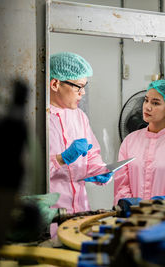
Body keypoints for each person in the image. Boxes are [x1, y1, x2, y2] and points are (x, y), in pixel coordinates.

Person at [49, 52, 113, 219]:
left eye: (85, 86)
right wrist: (60, 159)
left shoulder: (79, 117)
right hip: (49, 214)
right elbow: (26, 172)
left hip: (80, 211)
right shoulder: (36, 119)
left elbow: (91, 155)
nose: (83, 93)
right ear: (55, 84)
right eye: (78, 86)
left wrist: (99, 170)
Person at [114, 80, 165, 203]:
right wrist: (130, 205)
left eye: (155, 103)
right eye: (146, 100)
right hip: (133, 218)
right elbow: (121, 183)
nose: (148, 107)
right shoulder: (129, 142)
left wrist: (157, 207)